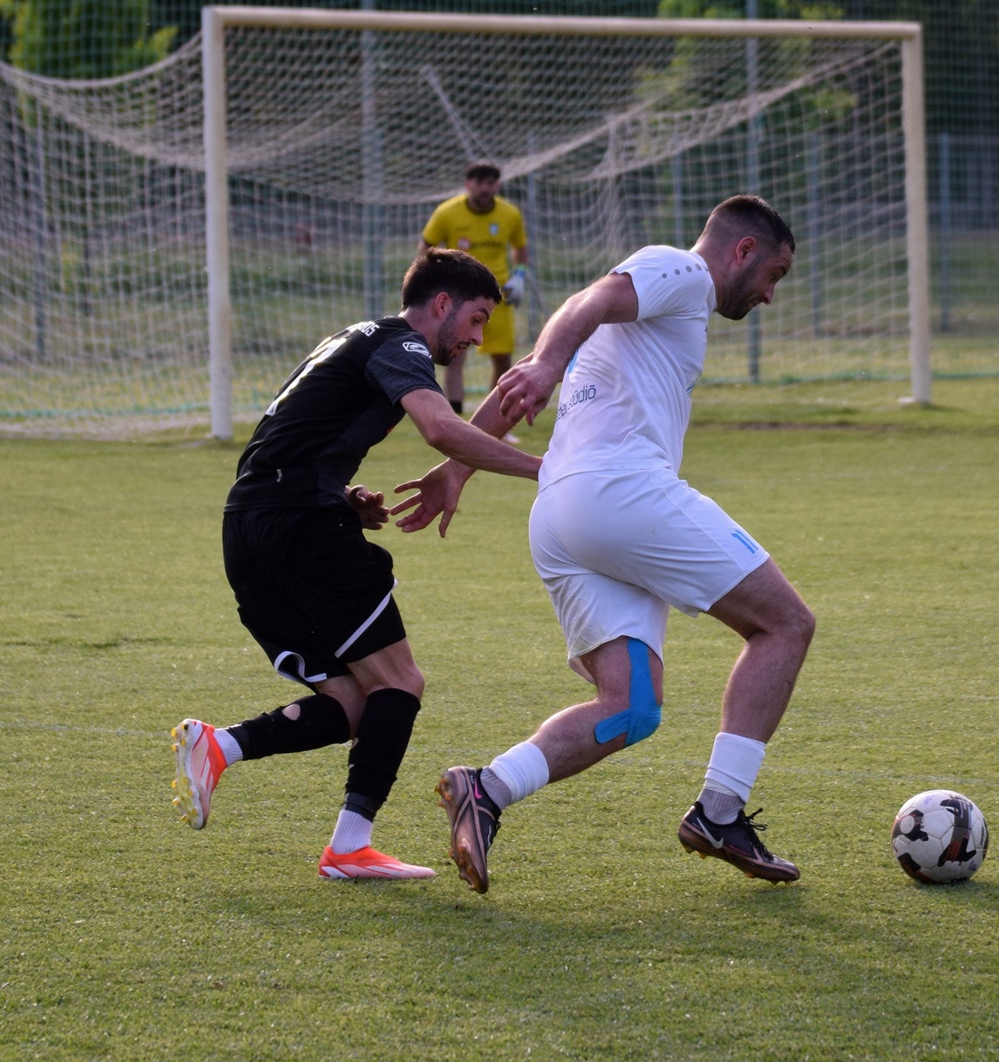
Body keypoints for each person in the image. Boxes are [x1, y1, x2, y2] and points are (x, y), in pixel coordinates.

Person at [394, 195, 816, 894]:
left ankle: (486, 789)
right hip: (622, 493)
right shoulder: (682, 270)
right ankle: (719, 812)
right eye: (775, 274)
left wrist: (458, 466)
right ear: (743, 250)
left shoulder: (661, 303)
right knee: (787, 624)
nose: (770, 294)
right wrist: (549, 364)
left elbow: (549, 347)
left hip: (561, 511)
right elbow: (586, 303)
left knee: (630, 708)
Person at [171, 248, 541, 881]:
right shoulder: (404, 346)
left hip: (251, 526)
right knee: (400, 683)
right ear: (442, 304)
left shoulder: (349, 338)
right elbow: (440, 428)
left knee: (354, 702)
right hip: (301, 528)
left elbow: (280, 441)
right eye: (476, 319)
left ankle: (219, 746)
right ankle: (349, 848)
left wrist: (341, 495)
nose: (478, 340)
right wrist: (548, 469)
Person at [417, 162, 529, 426]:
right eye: (479, 183)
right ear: (468, 184)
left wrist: (520, 276)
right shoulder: (447, 213)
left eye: (490, 183)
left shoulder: (510, 214)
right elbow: (425, 247)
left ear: (497, 185)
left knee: (503, 359)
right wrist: (434, 278)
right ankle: (455, 423)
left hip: (498, 296)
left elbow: (520, 248)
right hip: (459, 297)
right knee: (454, 356)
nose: (485, 189)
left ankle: (495, 424)